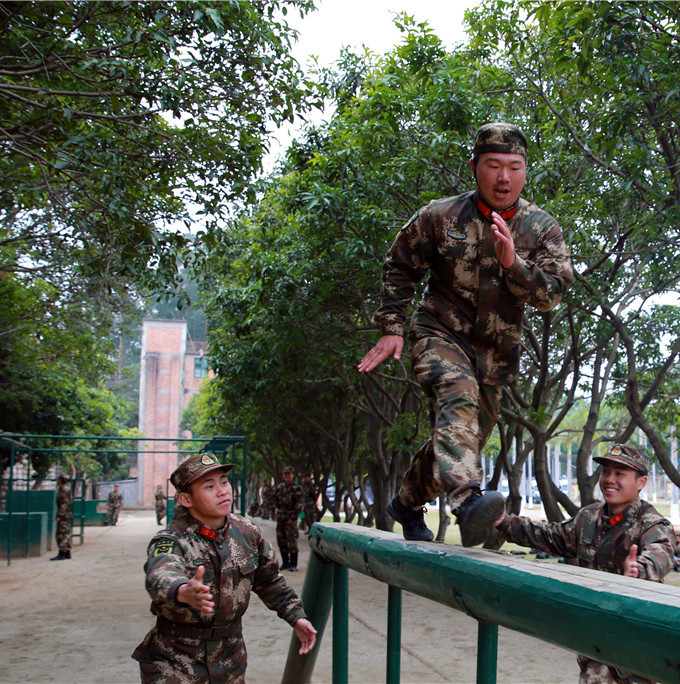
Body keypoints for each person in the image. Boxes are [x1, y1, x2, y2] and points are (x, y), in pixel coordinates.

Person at [359, 122, 574, 547]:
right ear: (474, 167)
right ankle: (467, 502)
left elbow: (551, 295)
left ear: (525, 172)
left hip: (495, 355)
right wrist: (392, 327)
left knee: (462, 439)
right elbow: (400, 264)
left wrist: (514, 264)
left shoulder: (542, 228)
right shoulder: (439, 216)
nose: (503, 177)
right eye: (493, 165)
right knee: (458, 395)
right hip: (439, 333)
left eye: (514, 167)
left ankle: (405, 501)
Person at [495, 443, 675, 684]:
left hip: (636, 647)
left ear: (641, 482)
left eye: (620, 473)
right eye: (605, 472)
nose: (610, 479)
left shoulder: (652, 524)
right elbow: (550, 535)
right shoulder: (588, 517)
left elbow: (660, 553)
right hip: (596, 640)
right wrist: (504, 522)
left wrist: (639, 570)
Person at [132, 452, 316, 683]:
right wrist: (181, 590)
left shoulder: (247, 533)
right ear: (187, 500)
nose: (222, 491)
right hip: (175, 660)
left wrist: (296, 617)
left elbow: (269, 581)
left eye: (224, 482)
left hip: (230, 659)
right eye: (209, 487)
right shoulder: (172, 540)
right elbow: (160, 574)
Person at [272, 466, 303, 572]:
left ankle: (293, 564)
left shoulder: (297, 488)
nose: (287, 476)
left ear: (293, 475)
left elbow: (299, 505)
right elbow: (275, 500)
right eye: (285, 474)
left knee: (292, 542)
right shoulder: (279, 487)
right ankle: (285, 563)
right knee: (282, 541)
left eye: (289, 474)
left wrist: (293, 519)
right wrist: (275, 509)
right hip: (281, 518)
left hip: (290, 519)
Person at [51, 474, 73, 561]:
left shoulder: (64, 490)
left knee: (61, 534)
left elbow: (64, 503)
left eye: (58, 479)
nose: (57, 481)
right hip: (67, 514)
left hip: (64, 515)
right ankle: (67, 552)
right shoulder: (66, 488)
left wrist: (59, 515)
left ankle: (62, 553)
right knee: (66, 533)